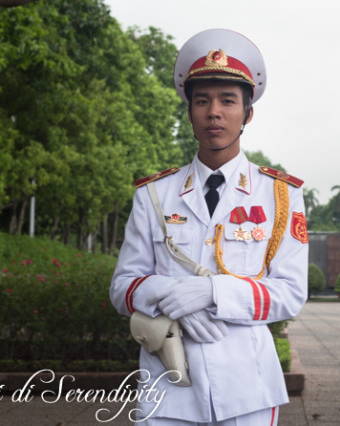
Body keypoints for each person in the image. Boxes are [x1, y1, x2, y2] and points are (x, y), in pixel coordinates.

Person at [110, 29, 308, 425]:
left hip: (246, 387)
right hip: (168, 383)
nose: (213, 111)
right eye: (201, 100)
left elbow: (290, 294)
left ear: (247, 113)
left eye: (227, 101)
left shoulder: (280, 195)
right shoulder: (154, 194)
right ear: (189, 112)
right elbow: (122, 287)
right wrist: (170, 294)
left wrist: (212, 291)